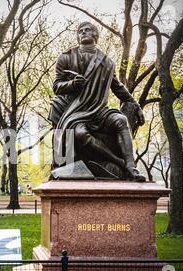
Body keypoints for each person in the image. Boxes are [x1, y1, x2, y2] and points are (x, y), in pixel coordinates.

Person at [49, 22, 145, 181]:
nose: (83, 32)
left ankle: (130, 167)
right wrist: (72, 84)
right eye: (80, 31)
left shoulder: (107, 62)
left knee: (121, 120)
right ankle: (118, 162)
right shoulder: (66, 57)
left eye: (87, 30)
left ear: (95, 35)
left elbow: (118, 87)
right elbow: (56, 86)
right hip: (75, 112)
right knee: (80, 134)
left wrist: (135, 104)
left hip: (99, 111)